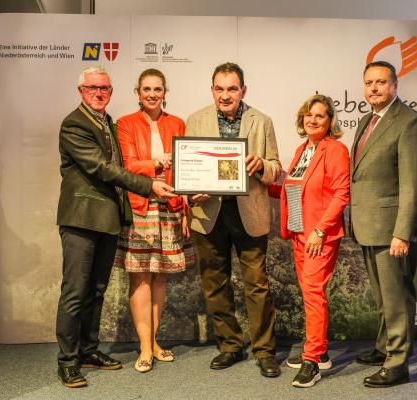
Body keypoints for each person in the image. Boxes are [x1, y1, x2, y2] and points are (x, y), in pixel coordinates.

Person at [55, 66, 175, 388]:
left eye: (104, 88)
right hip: (80, 219)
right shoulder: (74, 124)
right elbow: (103, 168)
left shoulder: (107, 122)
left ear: (111, 91)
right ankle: (67, 362)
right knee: (75, 293)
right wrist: (149, 185)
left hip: (107, 219)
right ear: (81, 91)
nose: (98, 93)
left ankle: (89, 351)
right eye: (92, 88)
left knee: (96, 291)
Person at [186, 62, 282, 378]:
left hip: (249, 211)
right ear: (212, 89)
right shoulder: (195, 120)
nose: (225, 95)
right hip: (209, 213)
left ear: (243, 90)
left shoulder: (262, 121)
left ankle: (265, 351)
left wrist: (261, 166)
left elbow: (276, 168)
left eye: (232, 88)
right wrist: (192, 192)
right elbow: (188, 169)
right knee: (215, 283)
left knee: (257, 284)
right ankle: (229, 345)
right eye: (220, 88)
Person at [350, 61, 417, 388]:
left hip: (393, 229)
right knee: (384, 297)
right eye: (369, 82)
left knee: (397, 299)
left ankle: (397, 364)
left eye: (381, 82)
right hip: (369, 225)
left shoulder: (411, 123)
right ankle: (385, 348)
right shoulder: (365, 122)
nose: (373, 88)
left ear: (395, 86)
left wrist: (402, 232)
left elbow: (414, 185)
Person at [113, 69, 194, 373]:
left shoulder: (177, 123)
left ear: (164, 92)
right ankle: (145, 346)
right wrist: (157, 162)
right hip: (140, 207)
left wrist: (185, 209)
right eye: (146, 89)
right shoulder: (125, 123)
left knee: (161, 277)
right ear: (138, 92)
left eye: (157, 89)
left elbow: (186, 170)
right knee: (141, 277)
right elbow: (129, 165)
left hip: (170, 207)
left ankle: (154, 342)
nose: (151, 94)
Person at [269, 94, 350, 388]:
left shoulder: (336, 149)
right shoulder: (303, 149)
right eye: (309, 115)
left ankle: (312, 361)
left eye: (320, 116)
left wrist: (320, 230)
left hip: (319, 236)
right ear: (302, 119)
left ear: (329, 122)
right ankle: (321, 351)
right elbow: (293, 190)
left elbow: (342, 193)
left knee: (314, 294)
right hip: (298, 234)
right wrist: (257, 183)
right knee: (310, 295)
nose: (313, 120)